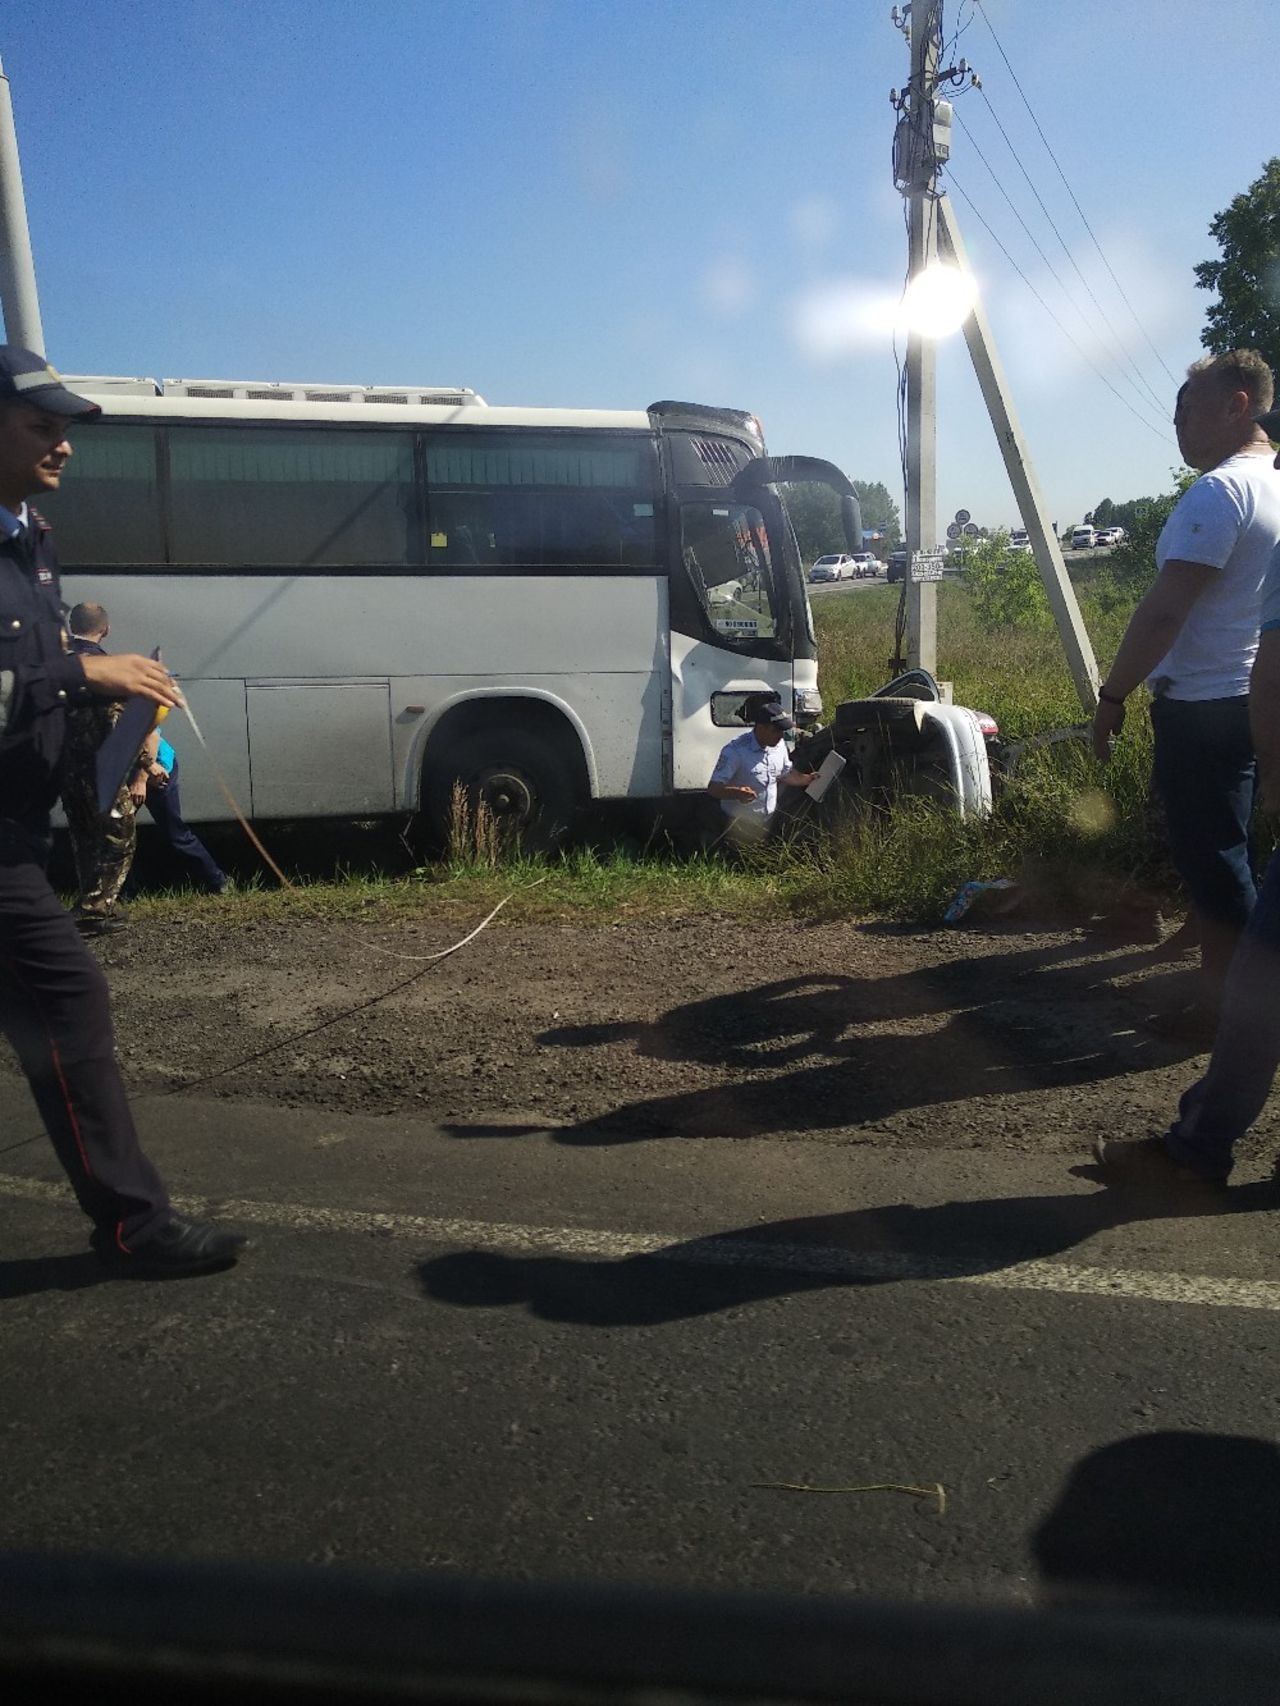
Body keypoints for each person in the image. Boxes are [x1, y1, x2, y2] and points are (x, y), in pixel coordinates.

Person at [0, 345, 247, 1275]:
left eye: (65, 428)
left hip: (17, 826)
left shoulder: (31, 534)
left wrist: (119, 739)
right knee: (70, 1000)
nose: (62, 445)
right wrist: (82, 669)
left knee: (58, 1008)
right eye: (40, 426)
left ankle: (130, 1224)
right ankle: (136, 1228)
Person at [1095, 407, 1280, 1186]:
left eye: (1187, 413)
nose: (1176, 429)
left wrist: (1112, 694)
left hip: (1207, 705)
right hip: (1238, 707)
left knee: (1217, 871)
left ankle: (1220, 1025)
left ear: (1237, 406)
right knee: (1230, 867)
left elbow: (1169, 609)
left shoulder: (1220, 493)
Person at [61, 599, 143, 935]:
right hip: (100, 771)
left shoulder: (59, 667)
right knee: (120, 834)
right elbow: (118, 726)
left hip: (66, 771)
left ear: (71, 627)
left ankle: (93, 902)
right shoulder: (105, 670)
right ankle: (94, 909)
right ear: (105, 629)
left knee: (85, 836)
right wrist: (144, 766)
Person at [707, 701, 816, 845]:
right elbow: (714, 788)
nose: (781, 736)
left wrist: (807, 779)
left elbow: (785, 773)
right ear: (761, 728)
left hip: (768, 822)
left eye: (782, 731)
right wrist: (737, 793)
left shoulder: (779, 747)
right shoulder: (735, 751)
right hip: (737, 825)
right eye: (775, 731)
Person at [137, 724, 228, 893]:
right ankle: (115, 895)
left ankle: (217, 882)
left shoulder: (129, 702)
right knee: (115, 836)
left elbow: (151, 735)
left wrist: (141, 780)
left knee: (175, 833)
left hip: (159, 770)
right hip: (125, 775)